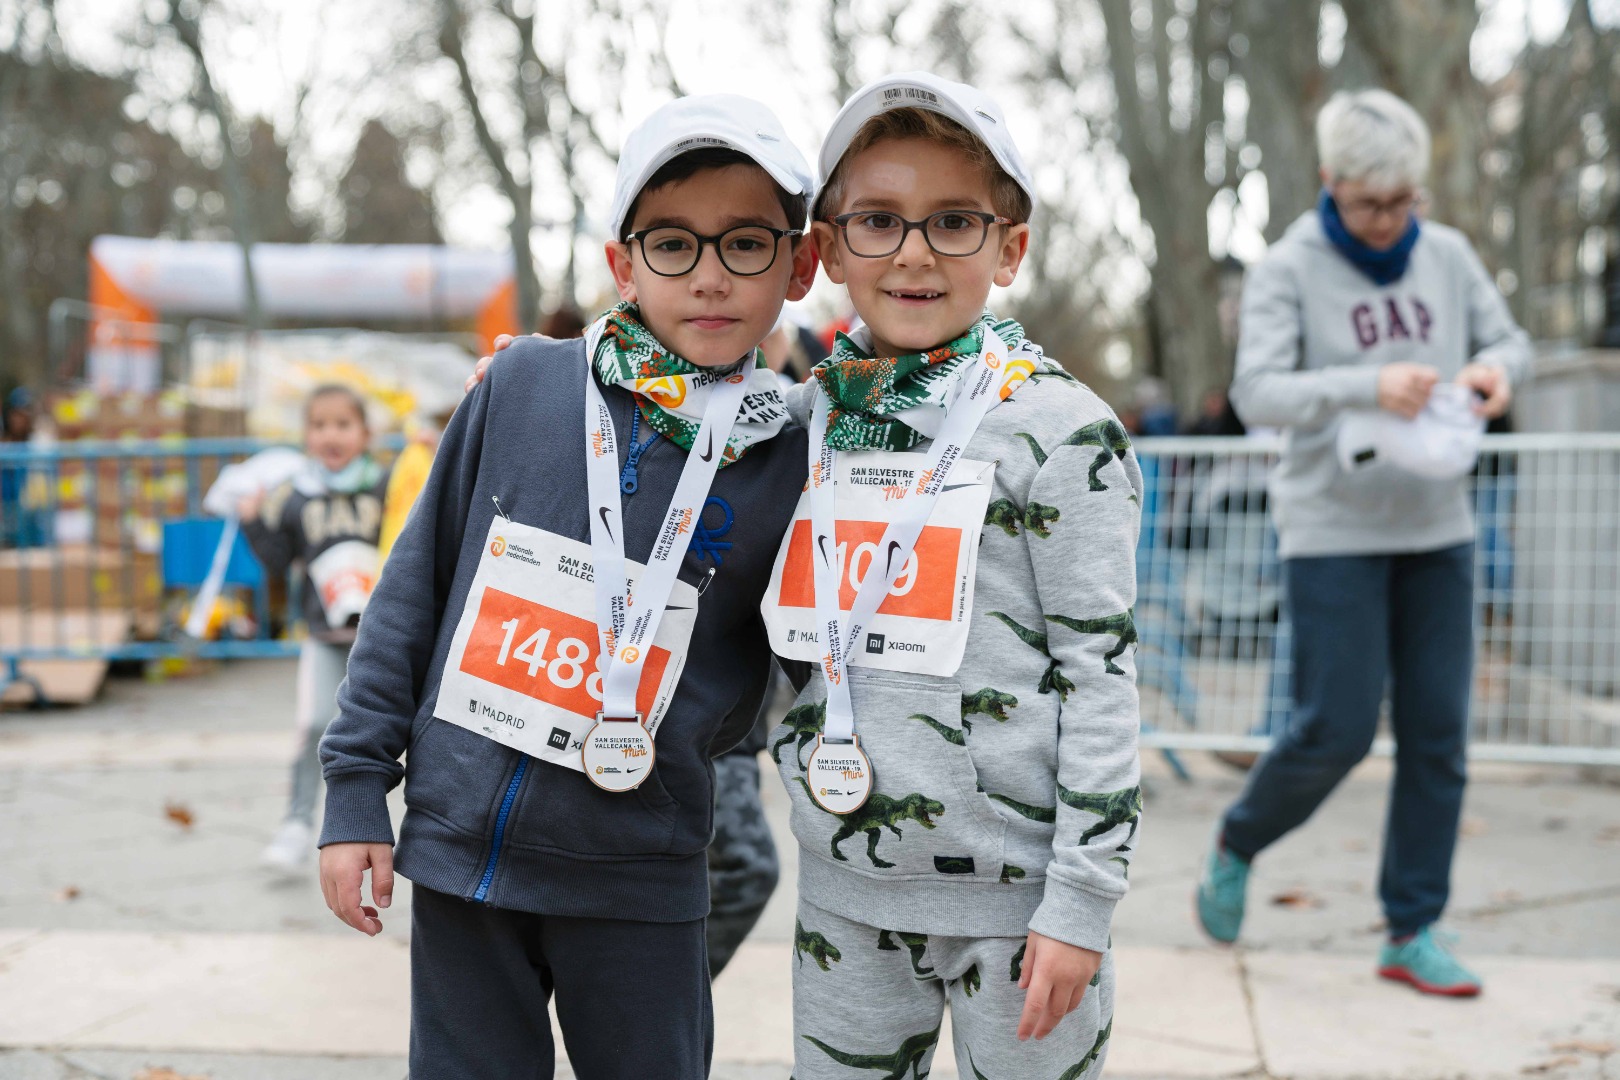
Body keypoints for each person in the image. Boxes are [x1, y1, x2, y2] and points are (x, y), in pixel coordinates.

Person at [314, 94, 816, 1080]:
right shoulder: (523, 387)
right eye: (674, 243)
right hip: (465, 861)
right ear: (621, 263)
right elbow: (409, 601)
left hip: (644, 875)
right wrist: (355, 791)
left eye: (748, 244)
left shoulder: (800, 452)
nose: (711, 275)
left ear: (799, 264)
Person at [764, 73, 1141, 1078]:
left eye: (954, 222)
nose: (915, 252)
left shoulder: (1061, 433)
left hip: (1022, 912)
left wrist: (1082, 902)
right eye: (879, 222)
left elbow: (1099, 677)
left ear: (1009, 247)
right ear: (829, 248)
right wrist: (545, 374)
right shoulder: (803, 423)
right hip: (843, 889)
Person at [1195, 88, 1529, 997]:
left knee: (1438, 736)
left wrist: (1495, 370)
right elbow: (1257, 392)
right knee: (1334, 728)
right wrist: (1364, 386)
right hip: (1331, 530)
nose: (1388, 223)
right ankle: (1240, 839)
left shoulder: (1449, 256)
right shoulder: (1289, 268)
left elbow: (1511, 339)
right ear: (1331, 184)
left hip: (1439, 529)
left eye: (1403, 203)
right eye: (1368, 204)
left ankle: (1412, 927)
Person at [239, 384, 388, 872]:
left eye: (342, 424)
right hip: (326, 638)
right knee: (313, 726)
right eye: (320, 424)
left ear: (365, 433)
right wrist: (253, 523)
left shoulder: (387, 486)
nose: (331, 434)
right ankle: (298, 823)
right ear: (306, 435)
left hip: (386, 637)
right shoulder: (296, 498)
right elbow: (279, 561)